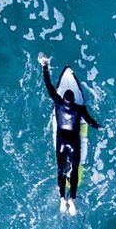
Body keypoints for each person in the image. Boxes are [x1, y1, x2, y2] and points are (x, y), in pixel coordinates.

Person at [40, 55, 101, 215]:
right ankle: (72, 200)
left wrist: (44, 66)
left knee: (61, 171)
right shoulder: (79, 109)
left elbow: (49, 86)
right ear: (74, 99)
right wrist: (100, 126)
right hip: (74, 143)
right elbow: (90, 122)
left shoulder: (57, 102)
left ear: (62, 99)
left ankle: (62, 199)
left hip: (61, 142)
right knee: (74, 170)